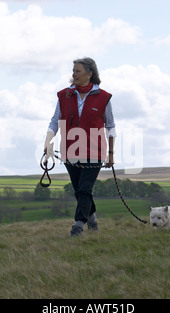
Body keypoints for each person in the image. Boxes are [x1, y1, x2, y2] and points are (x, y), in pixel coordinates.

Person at [44, 57, 116, 237]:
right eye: (73, 71)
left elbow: (110, 126)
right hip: (69, 151)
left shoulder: (104, 97)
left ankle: (78, 225)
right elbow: (55, 121)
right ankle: (92, 222)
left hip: (95, 152)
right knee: (79, 191)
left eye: (78, 71)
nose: (73, 74)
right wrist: (48, 141)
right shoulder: (64, 95)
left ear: (90, 74)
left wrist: (111, 153)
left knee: (85, 189)